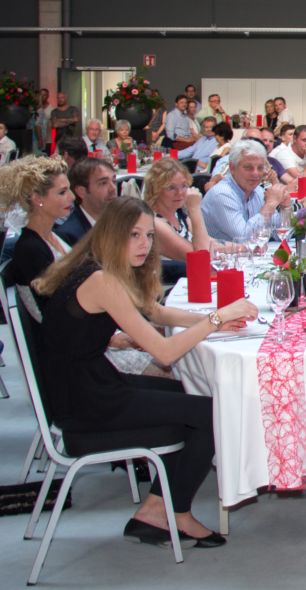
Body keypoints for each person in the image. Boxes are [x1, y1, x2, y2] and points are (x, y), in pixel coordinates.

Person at [34, 196, 257, 548]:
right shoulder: (101, 281)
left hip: (88, 384)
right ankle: (176, 511)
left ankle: (155, 508)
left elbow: (155, 313)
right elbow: (164, 352)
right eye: (134, 235)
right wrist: (218, 317)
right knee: (214, 410)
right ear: (110, 234)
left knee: (192, 395)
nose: (144, 244)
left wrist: (209, 321)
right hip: (86, 402)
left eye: (149, 235)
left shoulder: (98, 266)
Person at [0, 156, 75, 316]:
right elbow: (53, 314)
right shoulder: (30, 249)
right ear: (37, 199)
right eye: (63, 192)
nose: (72, 197)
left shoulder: (58, 236)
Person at [200, 140, 293, 242]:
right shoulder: (222, 194)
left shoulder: (258, 191)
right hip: (220, 257)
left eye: (260, 168)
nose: (255, 173)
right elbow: (245, 239)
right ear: (232, 168)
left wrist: (286, 208)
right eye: (248, 167)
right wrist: (270, 204)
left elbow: (280, 234)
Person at [142, 158, 215, 261]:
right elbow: (201, 257)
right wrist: (194, 210)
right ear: (155, 190)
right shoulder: (155, 223)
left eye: (183, 186)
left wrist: (242, 247)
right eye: (170, 188)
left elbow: (210, 243)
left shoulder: (178, 215)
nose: (179, 193)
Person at [55, 157, 118, 245]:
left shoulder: (120, 222)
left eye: (114, 181)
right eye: (103, 183)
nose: (113, 188)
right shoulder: (69, 236)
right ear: (81, 191)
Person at [35, 88, 54, 153]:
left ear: (47, 96)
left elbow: (53, 124)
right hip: (37, 140)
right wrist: (40, 140)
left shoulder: (52, 109)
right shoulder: (37, 110)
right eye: (41, 95)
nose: (42, 97)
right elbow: (37, 125)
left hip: (47, 139)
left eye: (44, 95)